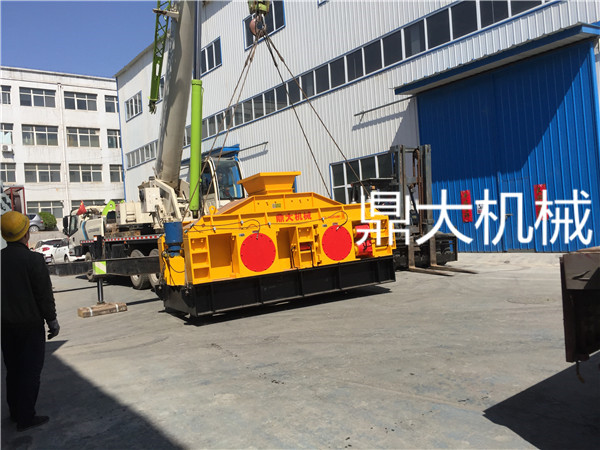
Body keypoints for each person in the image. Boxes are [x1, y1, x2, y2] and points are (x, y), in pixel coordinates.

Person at [1, 211, 60, 432]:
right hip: (30, 326)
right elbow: (44, 295)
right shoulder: (33, 260)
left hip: (5, 327)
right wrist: (52, 321)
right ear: (26, 233)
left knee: (13, 370)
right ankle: (26, 417)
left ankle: (15, 412)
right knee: (30, 371)